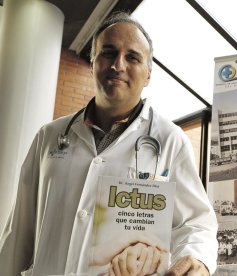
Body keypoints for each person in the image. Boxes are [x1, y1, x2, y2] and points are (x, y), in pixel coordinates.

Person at [0, 12, 218, 276]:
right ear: (92, 63)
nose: (118, 65)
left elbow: (196, 223)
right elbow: (19, 231)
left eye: (132, 57)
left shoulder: (170, 140)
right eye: (108, 53)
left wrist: (197, 260)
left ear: (148, 74)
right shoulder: (50, 136)